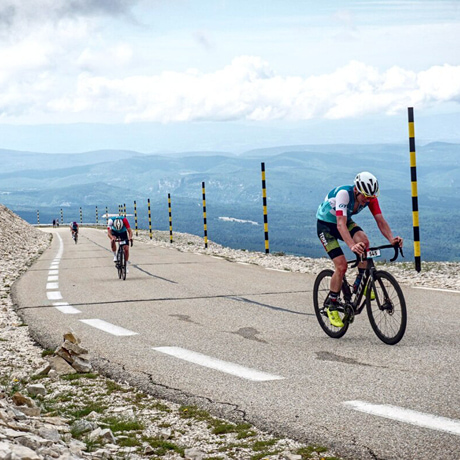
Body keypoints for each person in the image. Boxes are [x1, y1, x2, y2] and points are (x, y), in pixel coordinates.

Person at [316, 171, 403, 328]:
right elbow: (340, 224)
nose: (368, 200)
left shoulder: (370, 197)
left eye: (371, 197)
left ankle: (359, 283)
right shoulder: (344, 194)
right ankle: (332, 304)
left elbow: (380, 220)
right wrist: (351, 246)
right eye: (365, 196)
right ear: (356, 190)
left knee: (364, 241)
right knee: (341, 266)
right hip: (326, 226)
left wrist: (391, 239)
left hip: (343, 221)